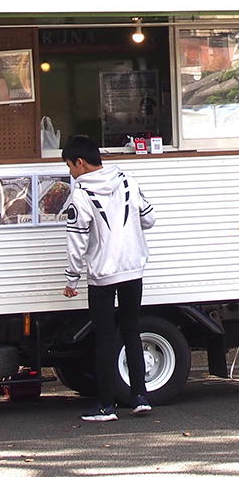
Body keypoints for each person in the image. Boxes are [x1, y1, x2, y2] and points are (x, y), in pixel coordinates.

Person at [60, 134, 156, 422]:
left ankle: (106, 406)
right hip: (133, 269)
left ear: (80, 162)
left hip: (102, 274)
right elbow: (149, 218)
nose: (70, 173)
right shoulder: (128, 181)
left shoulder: (81, 195)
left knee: (104, 337)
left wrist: (71, 279)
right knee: (131, 331)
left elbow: (76, 241)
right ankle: (140, 397)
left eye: (69, 166)